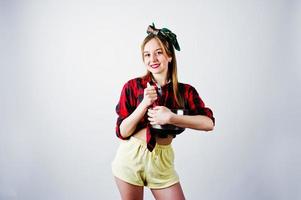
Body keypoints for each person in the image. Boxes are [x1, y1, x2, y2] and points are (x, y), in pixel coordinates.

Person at [112, 23, 215, 200]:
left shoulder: (185, 91)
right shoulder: (132, 87)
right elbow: (122, 132)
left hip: (162, 161)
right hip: (131, 158)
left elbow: (208, 123)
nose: (152, 59)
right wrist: (143, 104)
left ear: (169, 56)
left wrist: (172, 117)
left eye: (158, 52)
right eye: (147, 54)